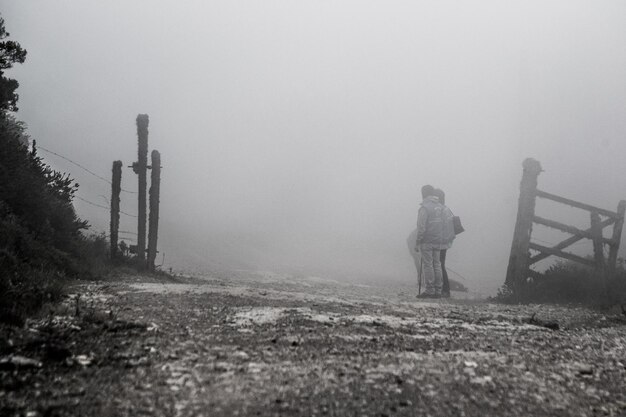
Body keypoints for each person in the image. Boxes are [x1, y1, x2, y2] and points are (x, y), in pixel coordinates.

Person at [414, 185, 455, 298]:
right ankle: (439, 290)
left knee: (428, 265)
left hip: (428, 240)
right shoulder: (442, 208)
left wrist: (418, 242)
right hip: (439, 241)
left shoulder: (425, 208)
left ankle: (430, 290)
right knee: (437, 265)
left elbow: (421, 227)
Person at [433, 188, 454, 298]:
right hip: (444, 242)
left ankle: (445, 290)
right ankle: (443, 289)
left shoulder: (440, 210)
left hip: (439, 242)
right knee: (440, 265)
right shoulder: (446, 209)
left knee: (439, 265)